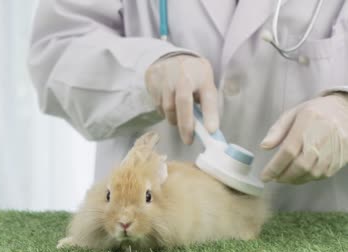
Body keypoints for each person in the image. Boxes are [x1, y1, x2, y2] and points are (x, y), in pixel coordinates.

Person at [27, 0, 348, 211]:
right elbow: (57, 49)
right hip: (148, 228)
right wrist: (146, 68)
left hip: (308, 216)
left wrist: (343, 106)